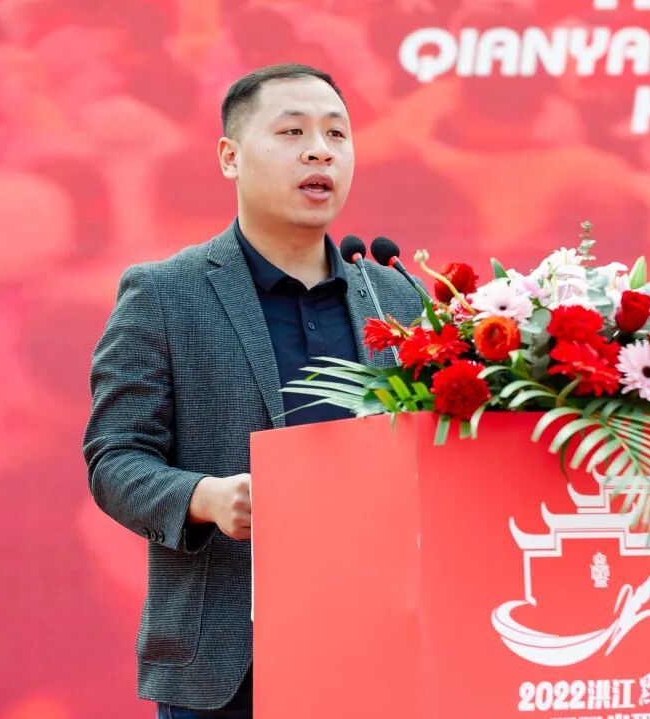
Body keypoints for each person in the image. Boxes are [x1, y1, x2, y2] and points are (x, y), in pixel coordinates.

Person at [83, 63, 425, 717]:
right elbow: (114, 458)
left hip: (382, 647)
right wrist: (205, 498)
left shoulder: (398, 295)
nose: (320, 151)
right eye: (292, 132)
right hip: (231, 668)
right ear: (229, 157)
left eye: (336, 134)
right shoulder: (164, 293)